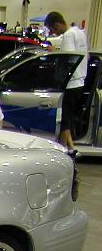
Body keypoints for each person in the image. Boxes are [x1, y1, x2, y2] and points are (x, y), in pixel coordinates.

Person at [44, 11, 88, 154]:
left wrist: (53, 52)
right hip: (80, 81)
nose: (53, 33)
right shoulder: (80, 33)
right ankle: (72, 148)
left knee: (65, 122)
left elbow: (67, 59)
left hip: (71, 83)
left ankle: (62, 151)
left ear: (57, 25)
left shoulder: (68, 35)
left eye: (52, 29)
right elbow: (84, 57)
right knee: (67, 119)